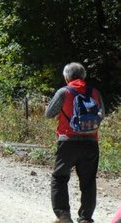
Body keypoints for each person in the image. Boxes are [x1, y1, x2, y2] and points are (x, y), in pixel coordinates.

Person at [45, 62, 105, 223]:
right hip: (91, 142)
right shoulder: (95, 92)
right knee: (88, 180)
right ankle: (86, 218)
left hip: (68, 141)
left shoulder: (64, 92)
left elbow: (49, 114)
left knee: (59, 178)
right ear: (83, 76)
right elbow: (102, 115)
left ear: (67, 77)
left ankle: (64, 216)